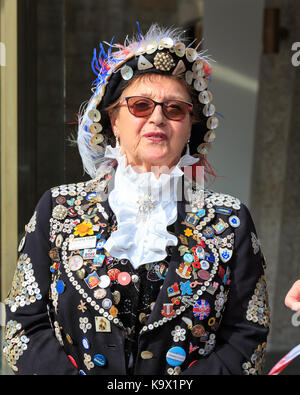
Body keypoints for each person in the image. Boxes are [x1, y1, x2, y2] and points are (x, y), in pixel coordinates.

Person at [3, 24, 270, 375]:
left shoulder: (229, 220)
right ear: (114, 120)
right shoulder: (57, 209)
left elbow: (247, 335)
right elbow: (23, 326)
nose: (157, 117)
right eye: (140, 106)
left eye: (175, 109)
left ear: (190, 127)